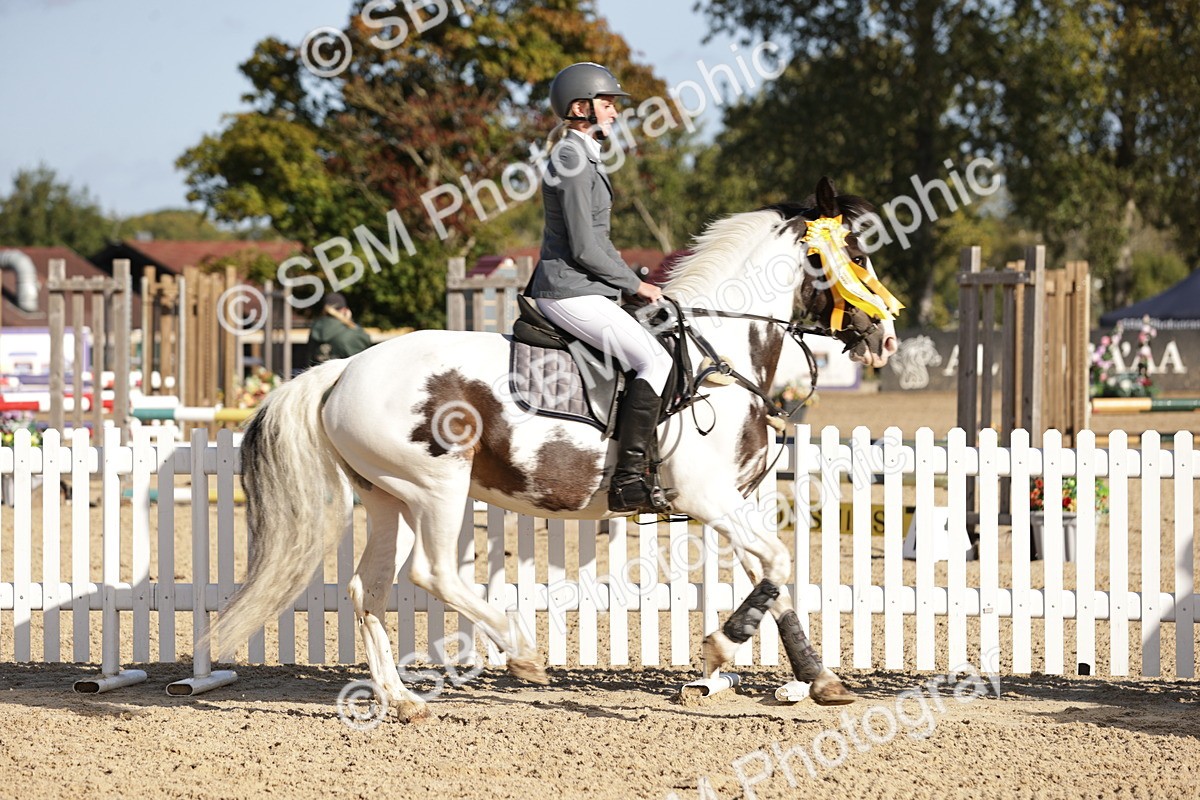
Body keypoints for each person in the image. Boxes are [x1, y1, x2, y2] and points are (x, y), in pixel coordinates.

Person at [525, 62, 675, 515]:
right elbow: (585, 246)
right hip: (567, 290)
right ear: (580, 107)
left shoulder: (585, 156)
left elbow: (601, 242)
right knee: (654, 358)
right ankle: (629, 480)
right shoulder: (570, 158)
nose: (615, 112)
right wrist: (633, 284)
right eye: (607, 103)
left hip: (588, 287)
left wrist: (631, 284)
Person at [307, 292, 372, 367]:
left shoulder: (314, 330)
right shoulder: (352, 333)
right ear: (344, 310)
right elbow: (366, 345)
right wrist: (351, 322)